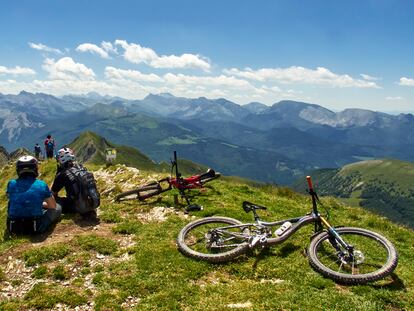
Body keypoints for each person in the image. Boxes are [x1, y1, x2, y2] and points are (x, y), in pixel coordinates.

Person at [6, 155, 61, 234]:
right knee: (57, 207)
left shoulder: (11, 183)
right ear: (35, 168)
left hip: (13, 228)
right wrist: (40, 204)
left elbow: (10, 199)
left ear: (18, 169)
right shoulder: (41, 184)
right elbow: (53, 206)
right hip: (35, 227)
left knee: (10, 202)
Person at [52, 148, 100, 220]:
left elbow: (53, 193)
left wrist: (57, 175)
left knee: (54, 200)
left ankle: (79, 210)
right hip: (94, 203)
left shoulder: (63, 173)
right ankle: (88, 209)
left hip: (76, 206)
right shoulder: (82, 167)